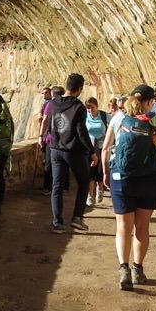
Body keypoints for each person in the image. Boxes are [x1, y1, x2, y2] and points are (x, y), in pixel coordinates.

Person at [102, 83, 156, 291]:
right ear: (150, 101)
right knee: (142, 227)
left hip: (121, 177)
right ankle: (137, 269)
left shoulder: (118, 118)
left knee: (123, 226)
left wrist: (106, 173)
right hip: (149, 178)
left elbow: (106, 149)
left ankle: (123, 269)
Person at [46, 74, 94, 232]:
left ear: (67, 86)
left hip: (54, 149)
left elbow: (50, 125)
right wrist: (92, 151)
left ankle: (57, 223)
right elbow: (81, 131)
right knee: (84, 182)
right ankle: (77, 218)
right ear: (79, 89)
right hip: (73, 151)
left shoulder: (52, 103)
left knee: (57, 186)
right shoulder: (78, 106)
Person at [84, 96, 110, 209]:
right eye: (88, 108)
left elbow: (111, 128)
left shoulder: (104, 116)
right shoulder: (85, 117)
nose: (90, 110)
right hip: (89, 148)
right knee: (90, 172)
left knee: (100, 171)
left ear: (97, 106)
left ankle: (100, 188)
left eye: (92, 108)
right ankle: (90, 196)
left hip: (102, 147)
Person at [35, 86, 53, 191]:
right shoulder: (46, 104)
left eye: (46, 93)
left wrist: (41, 136)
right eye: (43, 93)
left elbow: (44, 120)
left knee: (48, 163)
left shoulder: (49, 104)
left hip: (47, 136)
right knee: (47, 162)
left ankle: (48, 187)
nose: (44, 95)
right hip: (46, 135)